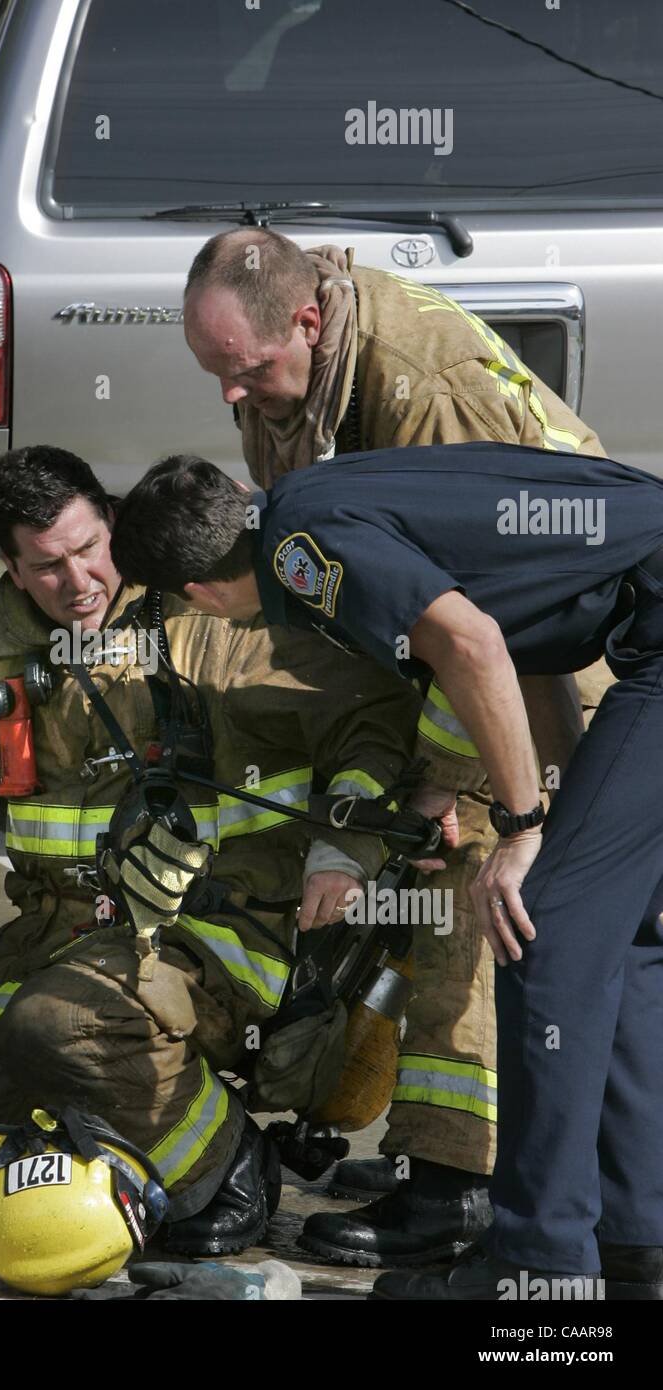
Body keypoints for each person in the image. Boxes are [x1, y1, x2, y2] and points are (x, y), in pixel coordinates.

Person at [110, 444, 663, 1300]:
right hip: (647, 631)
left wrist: (521, 826)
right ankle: (635, 1240)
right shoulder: (304, 499)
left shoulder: (302, 550)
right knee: (613, 936)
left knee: (537, 930)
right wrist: (540, 796)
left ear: (202, 594)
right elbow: (522, 643)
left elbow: (472, 643)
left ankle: (538, 1264)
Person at [0, 444, 423, 1256]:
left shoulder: (205, 625)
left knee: (62, 1024)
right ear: (10, 568)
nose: (78, 581)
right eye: (47, 566)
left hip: (209, 934)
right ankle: (118, 1150)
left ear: (113, 523)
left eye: (90, 548)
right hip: (55, 937)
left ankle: (226, 1166)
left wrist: (343, 850)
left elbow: (367, 716)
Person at [180, 227, 603, 1264]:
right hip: (468, 648)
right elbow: (349, 589)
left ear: (310, 322)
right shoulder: (290, 384)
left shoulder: (421, 392)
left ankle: (459, 1185)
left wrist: (444, 784)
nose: (234, 399)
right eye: (218, 377)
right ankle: (449, 1154)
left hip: (562, 656)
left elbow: (480, 630)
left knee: (478, 882)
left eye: (247, 371)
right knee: (431, 871)